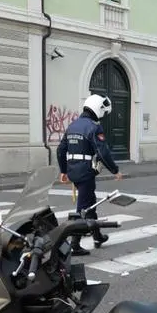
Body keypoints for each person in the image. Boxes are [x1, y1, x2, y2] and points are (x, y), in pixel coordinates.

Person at [56, 93, 122, 257]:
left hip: (73, 171)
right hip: (86, 172)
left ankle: (98, 237)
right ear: (98, 108)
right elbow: (102, 152)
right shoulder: (93, 127)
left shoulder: (73, 125)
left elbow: (60, 150)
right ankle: (74, 244)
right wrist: (115, 170)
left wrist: (64, 171)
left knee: (90, 203)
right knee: (82, 210)